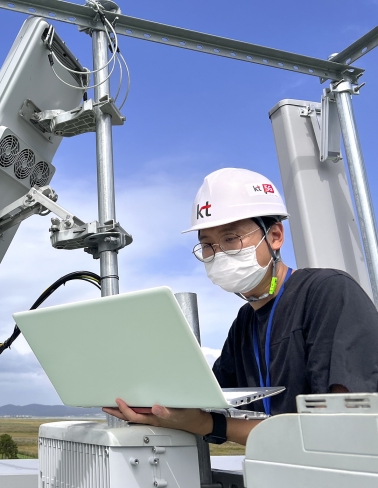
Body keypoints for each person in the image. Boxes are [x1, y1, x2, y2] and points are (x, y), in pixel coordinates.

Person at [104, 167, 378, 447]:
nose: (218, 254)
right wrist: (152, 403)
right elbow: (209, 397)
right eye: (207, 245)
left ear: (274, 236)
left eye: (231, 238)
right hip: (274, 478)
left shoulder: (327, 292)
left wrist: (206, 424)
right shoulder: (245, 322)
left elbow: (341, 430)